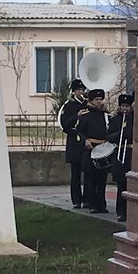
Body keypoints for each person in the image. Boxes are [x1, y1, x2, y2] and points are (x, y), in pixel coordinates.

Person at [75, 88, 111, 214]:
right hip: (90, 148)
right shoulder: (85, 116)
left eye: (101, 99)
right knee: (91, 178)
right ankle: (92, 203)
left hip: (103, 148)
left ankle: (101, 203)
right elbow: (79, 131)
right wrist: (85, 140)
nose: (99, 102)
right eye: (96, 99)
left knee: (102, 178)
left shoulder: (106, 116)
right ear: (91, 100)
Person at [58, 80, 87, 208]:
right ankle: (76, 200)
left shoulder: (87, 104)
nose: (82, 92)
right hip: (74, 142)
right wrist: (77, 115)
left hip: (86, 141)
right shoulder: (69, 105)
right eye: (79, 90)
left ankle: (87, 199)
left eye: (83, 90)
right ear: (74, 91)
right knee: (75, 174)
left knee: (88, 172)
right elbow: (65, 124)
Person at [108, 93, 135, 222]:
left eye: (128, 106)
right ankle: (121, 212)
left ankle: (132, 211)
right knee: (121, 185)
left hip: (131, 152)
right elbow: (109, 136)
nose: (125, 109)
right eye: (123, 106)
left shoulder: (134, 119)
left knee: (132, 185)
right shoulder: (115, 120)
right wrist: (120, 134)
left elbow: (132, 134)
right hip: (120, 154)